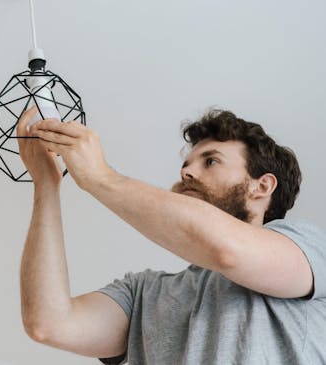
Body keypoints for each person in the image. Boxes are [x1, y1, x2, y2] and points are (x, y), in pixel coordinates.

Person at [16, 107, 326, 364]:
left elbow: (226, 250)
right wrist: (46, 183)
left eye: (211, 161)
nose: (186, 173)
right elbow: (49, 323)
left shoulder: (306, 245)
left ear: (262, 186)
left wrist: (101, 178)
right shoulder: (143, 292)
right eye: (186, 164)